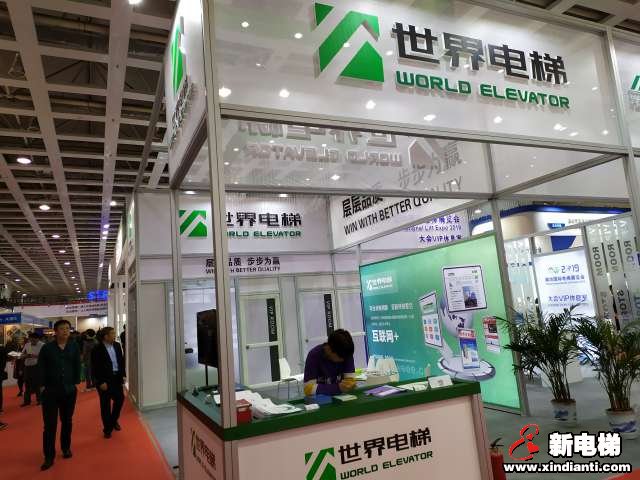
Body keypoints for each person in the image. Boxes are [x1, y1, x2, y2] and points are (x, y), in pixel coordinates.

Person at [38, 319, 82, 471]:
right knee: (50, 425)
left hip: (69, 391)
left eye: (67, 329)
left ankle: (65, 447)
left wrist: (76, 381)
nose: (65, 331)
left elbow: (77, 364)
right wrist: (42, 386)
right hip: (50, 391)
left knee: (67, 421)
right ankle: (48, 456)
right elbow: (41, 367)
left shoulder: (74, 346)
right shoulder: (47, 348)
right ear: (55, 332)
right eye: (62, 329)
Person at [92, 327, 125, 439]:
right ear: (105, 336)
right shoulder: (97, 349)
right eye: (112, 333)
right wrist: (101, 381)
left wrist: (123, 375)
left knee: (120, 400)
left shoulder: (117, 345)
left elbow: (121, 361)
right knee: (105, 405)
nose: (115, 335)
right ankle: (107, 429)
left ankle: (113, 420)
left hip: (116, 378)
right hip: (104, 381)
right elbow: (95, 367)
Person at [303, 329, 357, 397]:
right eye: (340, 358)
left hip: (341, 398)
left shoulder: (346, 353)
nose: (343, 360)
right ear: (329, 349)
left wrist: (350, 384)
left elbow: (350, 381)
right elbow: (308, 389)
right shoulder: (314, 356)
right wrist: (337, 388)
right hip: (321, 400)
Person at [22, 332, 44, 406]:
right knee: (27, 384)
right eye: (30, 339)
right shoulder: (27, 344)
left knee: (38, 384)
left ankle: (39, 400)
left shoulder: (42, 345)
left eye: (33, 340)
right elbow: (22, 354)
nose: (32, 341)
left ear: (37, 339)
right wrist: (25, 356)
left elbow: (45, 356)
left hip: (37, 366)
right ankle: (27, 401)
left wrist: (35, 356)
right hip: (27, 366)